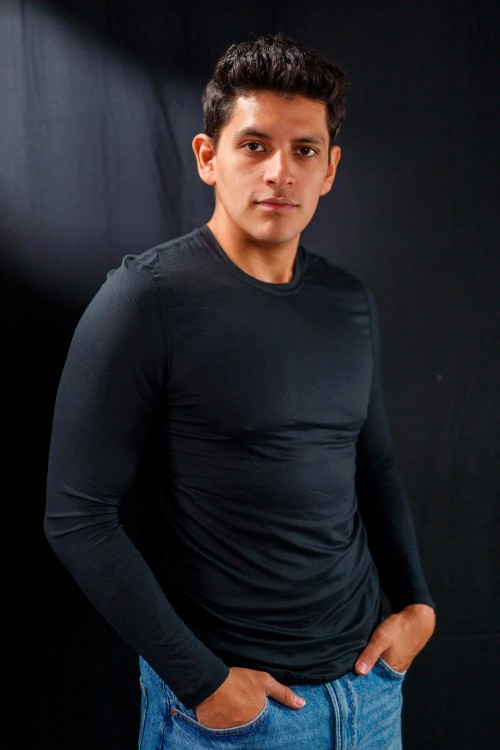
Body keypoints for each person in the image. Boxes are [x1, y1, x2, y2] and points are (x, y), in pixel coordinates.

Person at [45, 32, 436, 749]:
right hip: (238, 715)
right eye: (254, 145)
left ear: (329, 168)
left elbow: (373, 464)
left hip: (370, 694)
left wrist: (417, 605)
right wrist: (203, 683)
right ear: (208, 157)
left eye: (305, 150)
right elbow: (77, 517)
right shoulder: (144, 300)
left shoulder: (348, 301)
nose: (280, 171)